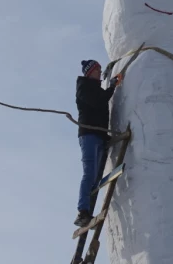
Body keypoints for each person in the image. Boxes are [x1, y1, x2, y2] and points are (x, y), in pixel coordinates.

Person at [74, 59, 120, 227]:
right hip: (89, 135)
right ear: (89, 71)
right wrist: (112, 88)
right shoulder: (84, 87)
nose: (99, 72)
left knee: (95, 177)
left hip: (98, 135)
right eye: (97, 69)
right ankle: (83, 211)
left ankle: (88, 211)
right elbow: (97, 101)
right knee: (89, 173)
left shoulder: (95, 88)